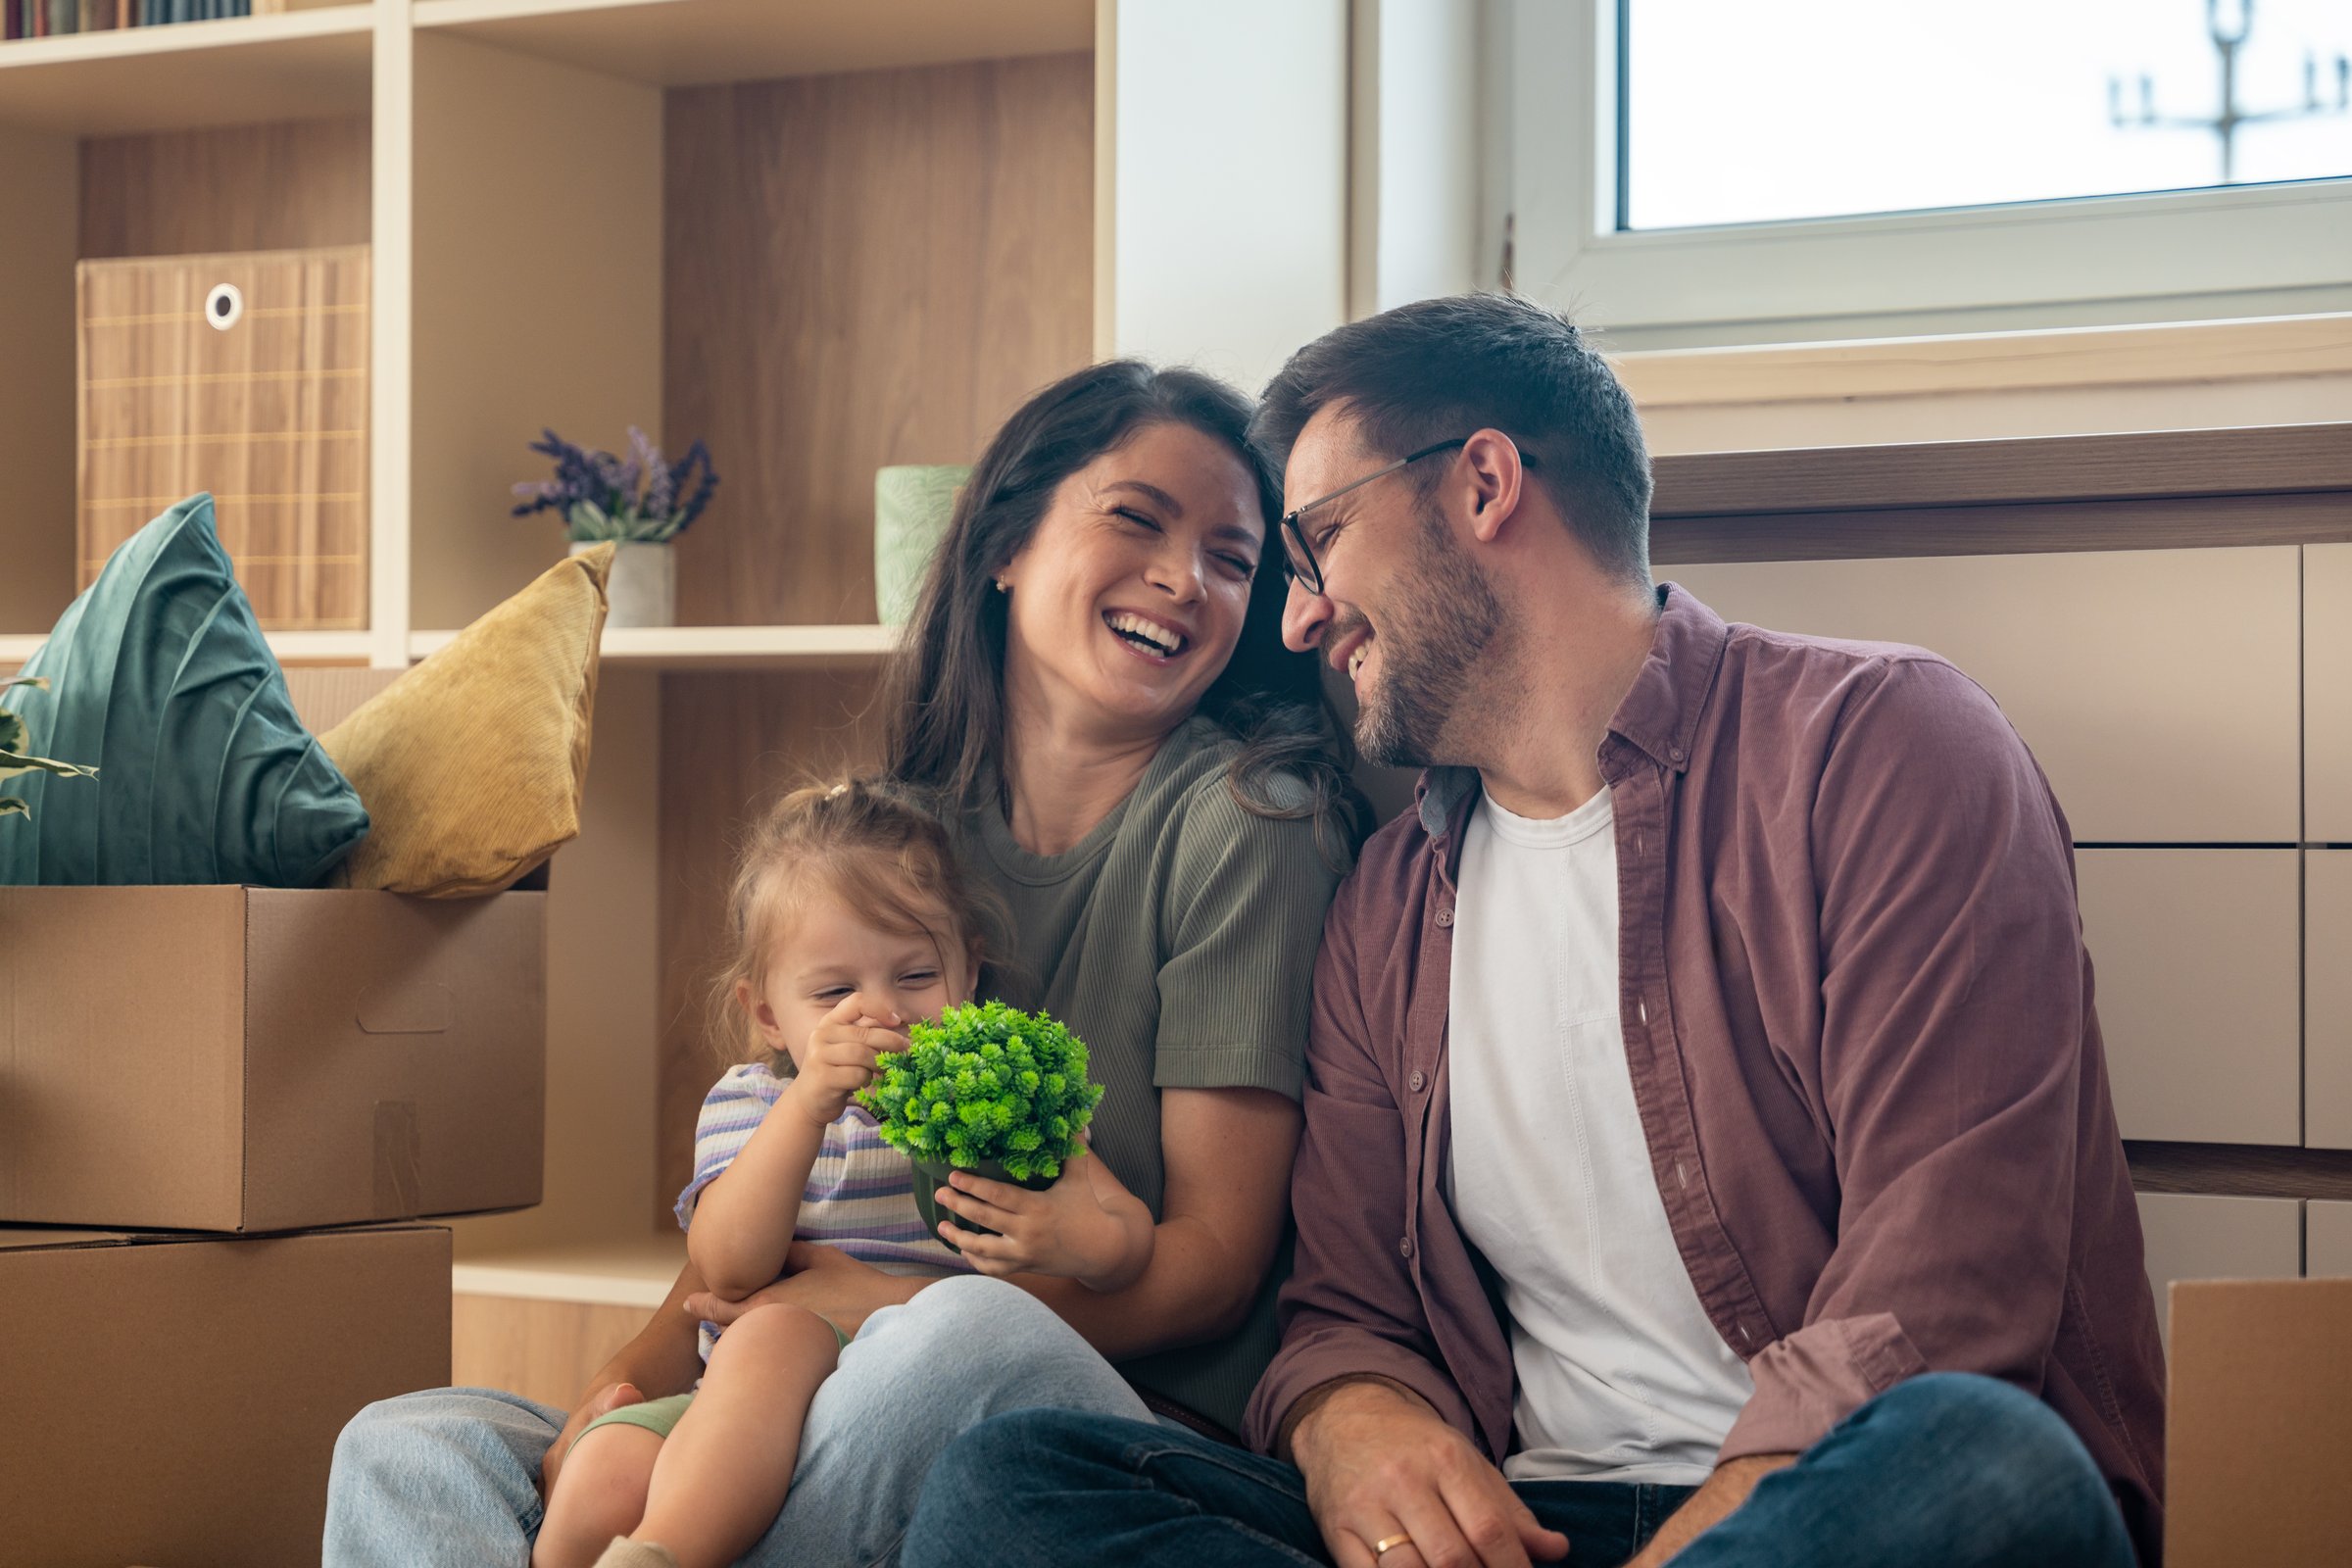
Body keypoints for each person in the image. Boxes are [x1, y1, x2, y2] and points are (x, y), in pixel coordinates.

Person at [904, 293, 2167, 1568]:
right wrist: (1355, 1423)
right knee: (1013, 1486)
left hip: (1824, 1503)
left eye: (1319, 540)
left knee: (1980, 1457)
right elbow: (1345, 1312)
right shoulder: (1390, 904)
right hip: (1526, 1527)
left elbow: (1948, 1287)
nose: (1295, 619)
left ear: (1484, 485)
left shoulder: (1879, 747)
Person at [324, 361, 1360, 1566]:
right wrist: (641, 1366)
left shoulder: (1249, 823)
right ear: (1005, 545)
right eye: (1136, 519)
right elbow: (761, 1224)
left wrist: (888, 1309)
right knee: (407, 1445)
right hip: (803, 1380)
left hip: (1102, 1422)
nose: (1186, 579)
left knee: (949, 1341)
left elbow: (1215, 1273)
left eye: (1234, 560)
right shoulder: (904, 836)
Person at [533, 780, 1156, 1568]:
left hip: (908, 1399)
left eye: (916, 977)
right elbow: (727, 1264)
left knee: (775, 1332)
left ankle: (661, 1556)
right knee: (600, 1472)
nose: (881, 1013)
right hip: (729, 1420)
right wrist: (805, 1110)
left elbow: (1130, 1236)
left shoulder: (996, 1100)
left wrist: (1083, 1239)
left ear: (968, 974)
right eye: (834, 992)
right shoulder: (755, 1104)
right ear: (765, 1014)